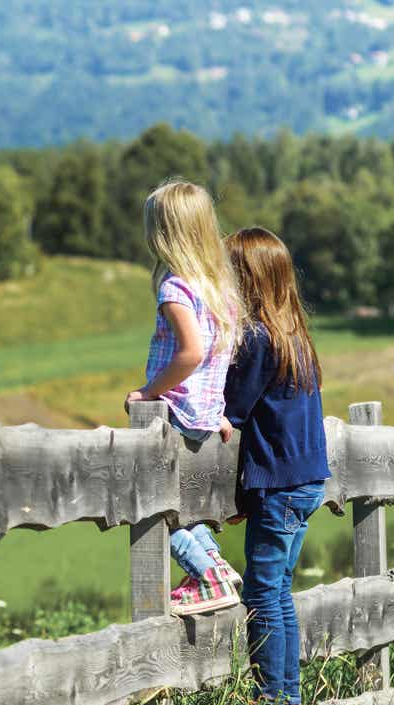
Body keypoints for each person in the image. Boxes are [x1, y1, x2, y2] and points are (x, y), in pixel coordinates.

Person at [123, 179, 244, 616]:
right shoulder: (220, 290)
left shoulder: (175, 288)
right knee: (185, 507)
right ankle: (215, 566)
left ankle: (205, 576)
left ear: (163, 234)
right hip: (207, 414)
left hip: (176, 411)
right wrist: (219, 412)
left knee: (150, 508)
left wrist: (148, 392)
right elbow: (220, 353)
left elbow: (191, 352)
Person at [222, 227, 331, 705]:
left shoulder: (258, 339)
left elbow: (234, 409)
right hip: (305, 482)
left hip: (280, 485)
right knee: (280, 593)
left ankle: (272, 702)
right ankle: (288, 699)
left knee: (263, 596)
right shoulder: (295, 336)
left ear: (248, 280)